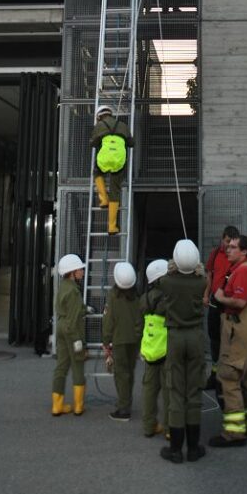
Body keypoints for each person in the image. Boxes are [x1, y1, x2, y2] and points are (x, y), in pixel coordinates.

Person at [209, 235, 247, 448]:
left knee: (229, 377)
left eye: (233, 247)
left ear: (244, 252)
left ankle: (234, 433)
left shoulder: (243, 271)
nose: (227, 250)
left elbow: (240, 301)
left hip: (242, 329)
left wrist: (220, 297)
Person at [157, 240, 206, 464]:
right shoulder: (201, 281)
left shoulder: (167, 282)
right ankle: (194, 448)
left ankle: (175, 449)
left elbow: (166, 273)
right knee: (193, 390)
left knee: (176, 390)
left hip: (175, 336)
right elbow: (200, 274)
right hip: (195, 336)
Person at [102, 261, 141, 421]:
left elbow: (109, 321)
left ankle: (123, 409)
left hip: (119, 340)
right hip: (134, 340)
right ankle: (127, 403)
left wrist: (106, 341)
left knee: (121, 374)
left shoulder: (113, 296)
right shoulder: (137, 296)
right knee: (129, 373)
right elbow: (140, 319)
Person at [203, 225, 239, 390]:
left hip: (228, 304)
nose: (227, 246)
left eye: (230, 243)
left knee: (229, 340)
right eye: (225, 242)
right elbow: (209, 275)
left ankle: (227, 376)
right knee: (214, 339)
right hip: (214, 302)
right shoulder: (216, 253)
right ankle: (215, 374)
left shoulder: (237, 258)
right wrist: (205, 294)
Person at [52, 253, 88, 417]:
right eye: (80, 268)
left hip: (60, 327)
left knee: (61, 365)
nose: (82, 270)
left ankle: (57, 406)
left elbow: (67, 309)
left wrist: (83, 308)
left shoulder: (64, 286)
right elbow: (73, 322)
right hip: (70, 330)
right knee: (78, 363)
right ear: (72, 272)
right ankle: (78, 406)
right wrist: (79, 343)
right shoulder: (74, 291)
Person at [90, 105, 134, 235]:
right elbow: (132, 143)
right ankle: (112, 227)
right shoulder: (123, 125)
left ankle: (103, 198)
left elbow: (92, 143)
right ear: (110, 114)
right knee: (115, 191)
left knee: (97, 172)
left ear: (99, 116)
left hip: (104, 159)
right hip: (119, 161)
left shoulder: (99, 126)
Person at [140, 258, 170, 439]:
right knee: (168, 389)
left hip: (150, 348)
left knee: (149, 389)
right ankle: (168, 428)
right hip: (166, 348)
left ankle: (148, 426)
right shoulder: (167, 298)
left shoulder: (144, 298)